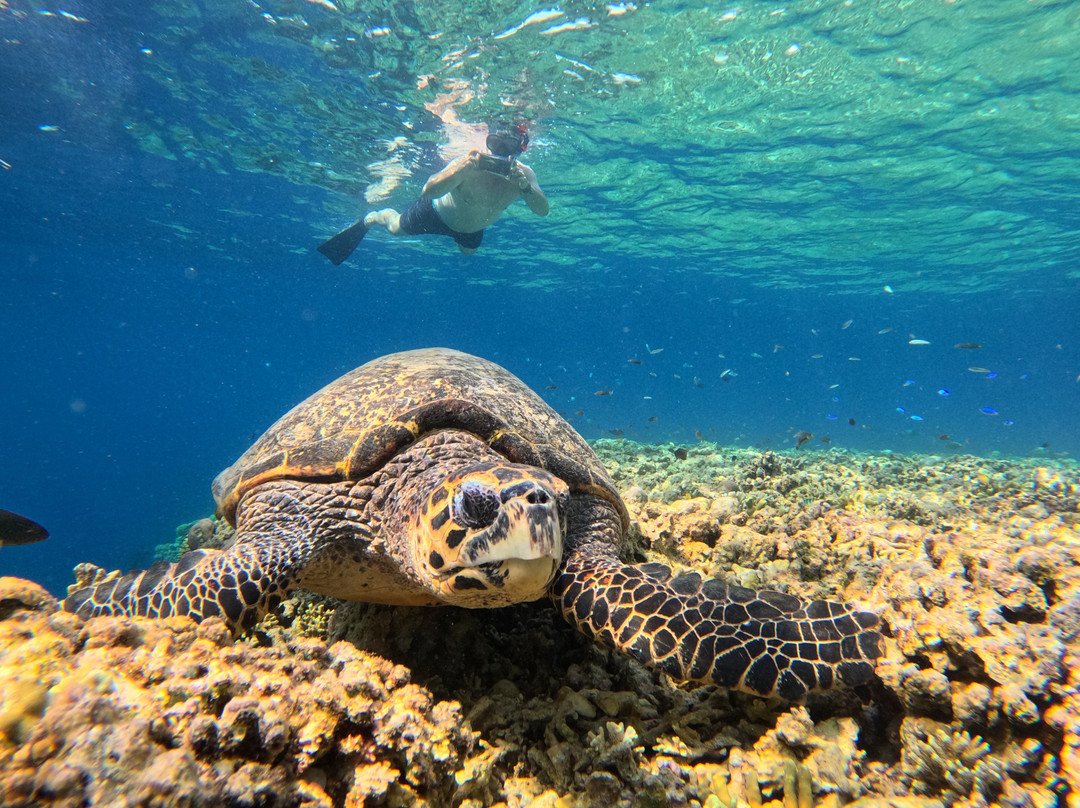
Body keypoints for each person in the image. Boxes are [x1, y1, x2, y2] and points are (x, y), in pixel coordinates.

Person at [317, 124, 548, 265]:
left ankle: (459, 237)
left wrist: (526, 188)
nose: (499, 153)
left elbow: (543, 210)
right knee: (395, 228)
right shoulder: (468, 162)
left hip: (472, 229)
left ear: (520, 149)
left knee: (468, 253)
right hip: (434, 213)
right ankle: (372, 218)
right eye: (495, 144)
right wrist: (461, 169)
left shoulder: (524, 176)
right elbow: (428, 191)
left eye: (507, 147)